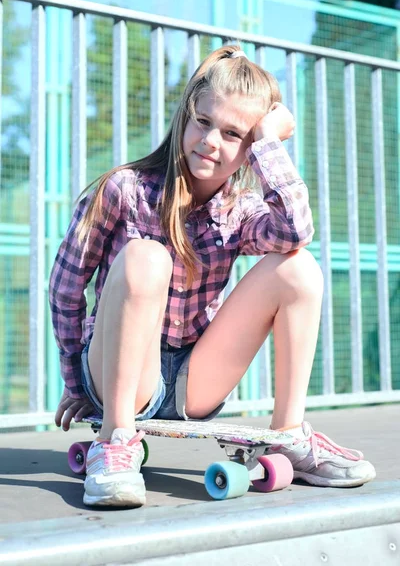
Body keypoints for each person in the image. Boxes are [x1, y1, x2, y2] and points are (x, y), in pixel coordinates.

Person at [49, 45, 376, 508]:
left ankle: (287, 435)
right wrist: (76, 381)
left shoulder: (239, 210)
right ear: (186, 116)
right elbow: (66, 289)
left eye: (233, 134)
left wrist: (269, 143)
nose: (210, 142)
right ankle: (115, 440)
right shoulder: (124, 189)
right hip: (119, 374)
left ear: (249, 150)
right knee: (146, 256)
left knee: (297, 267)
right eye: (203, 122)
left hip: (193, 382)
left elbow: (295, 231)